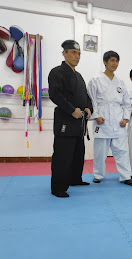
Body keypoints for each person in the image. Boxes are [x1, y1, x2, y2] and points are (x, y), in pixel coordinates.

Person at [48, 40, 93, 198]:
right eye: (73, 52)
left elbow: (86, 97)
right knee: (63, 155)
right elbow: (55, 95)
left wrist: (88, 108)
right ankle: (58, 187)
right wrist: (71, 110)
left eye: (79, 53)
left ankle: (75, 178)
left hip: (79, 122)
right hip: (65, 120)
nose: (77, 56)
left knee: (77, 153)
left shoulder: (79, 75)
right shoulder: (57, 72)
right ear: (64, 53)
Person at [87, 50, 132, 187]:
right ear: (105, 62)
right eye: (112, 60)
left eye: (116, 61)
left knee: (122, 151)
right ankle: (98, 175)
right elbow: (91, 100)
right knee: (100, 151)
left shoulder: (120, 82)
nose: (114, 63)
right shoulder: (95, 80)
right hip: (102, 119)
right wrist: (96, 115)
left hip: (118, 120)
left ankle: (126, 176)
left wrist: (125, 118)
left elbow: (127, 103)